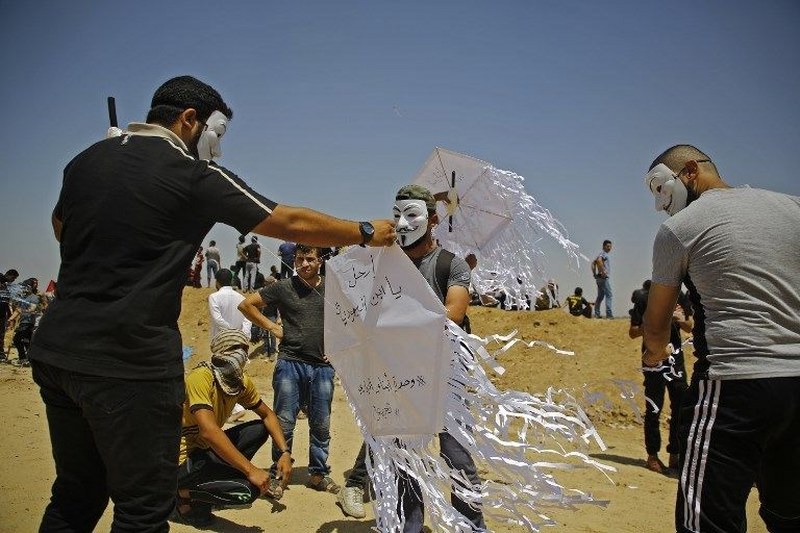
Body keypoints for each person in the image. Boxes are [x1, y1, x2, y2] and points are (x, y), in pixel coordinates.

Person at [28, 74, 396, 532]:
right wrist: (364, 231)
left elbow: (61, 230)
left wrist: (110, 187)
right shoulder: (191, 173)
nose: (216, 148)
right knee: (143, 507)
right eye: (215, 133)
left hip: (57, 352)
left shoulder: (85, 161)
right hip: (129, 360)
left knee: (75, 494)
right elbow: (288, 221)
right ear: (189, 119)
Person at [641, 144, 800, 533]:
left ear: (690, 171)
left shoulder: (680, 228)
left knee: (707, 521)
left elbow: (656, 324)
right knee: (789, 513)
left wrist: (654, 356)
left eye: (660, 188)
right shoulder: (793, 208)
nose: (660, 205)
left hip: (734, 387)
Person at [338, 185, 485, 532]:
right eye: (397, 215)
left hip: (445, 376)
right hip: (400, 376)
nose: (402, 223)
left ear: (433, 220)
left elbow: (454, 314)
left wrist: (397, 322)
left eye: (412, 214)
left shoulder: (451, 264)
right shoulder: (384, 265)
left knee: (457, 458)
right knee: (404, 461)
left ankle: (471, 527)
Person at [238, 244, 339, 499]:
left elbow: (351, 317)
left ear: (320, 261)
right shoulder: (284, 287)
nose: (305, 264)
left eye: (310, 259)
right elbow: (247, 305)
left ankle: (318, 474)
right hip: (290, 363)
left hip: (322, 366)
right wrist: (273, 327)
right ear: (294, 261)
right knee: (284, 422)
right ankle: (278, 474)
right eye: (300, 259)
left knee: (321, 423)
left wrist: (339, 348)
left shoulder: (334, 287)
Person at [173, 329, 293, 527]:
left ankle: (218, 479)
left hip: (205, 451)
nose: (240, 354)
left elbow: (268, 415)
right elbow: (209, 432)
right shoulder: (201, 377)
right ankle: (180, 494)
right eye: (234, 348)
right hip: (180, 460)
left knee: (258, 429)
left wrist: (284, 452)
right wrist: (251, 470)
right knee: (247, 492)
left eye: (243, 349)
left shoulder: (241, 382)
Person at [629, 279, 692, 474]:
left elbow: (690, 326)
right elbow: (633, 332)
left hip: (675, 360)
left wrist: (678, 319)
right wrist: (655, 322)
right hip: (653, 360)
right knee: (654, 408)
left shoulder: (680, 297)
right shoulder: (644, 299)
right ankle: (652, 456)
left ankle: (675, 453)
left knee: (681, 406)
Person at [208, 268, 251, 341]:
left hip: (221, 341)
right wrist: (244, 335)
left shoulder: (214, 297)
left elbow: (218, 320)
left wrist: (232, 332)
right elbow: (247, 319)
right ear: (231, 281)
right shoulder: (242, 298)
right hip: (239, 341)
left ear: (217, 282)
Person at [8, 278, 40, 367]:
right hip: (23, 322)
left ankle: (23, 359)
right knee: (26, 342)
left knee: (17, 340)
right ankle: (29, 360)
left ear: (29, 287)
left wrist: (22, 310)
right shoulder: (23, 298)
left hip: (28, 323)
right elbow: (17, 310)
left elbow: (32, 309)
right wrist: (10, 319)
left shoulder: (34, 298)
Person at [0, 269, 19, 359]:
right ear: (9, 275)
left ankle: (0, 353)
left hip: (2, 314)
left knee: (1, 334)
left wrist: (10, 315)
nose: (13, 280)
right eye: (13, 278)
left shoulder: (6, 287)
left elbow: (7, 303)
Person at [591, 239, 613, 318]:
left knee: (600, 296)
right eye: (607, 246)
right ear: (603, 246)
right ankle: (609, 315)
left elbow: (593, 264)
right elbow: (599, 260)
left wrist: (594, 274)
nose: (609, 248)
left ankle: (597, 314)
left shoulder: (600, 254)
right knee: (609, 295)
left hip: (599, 278)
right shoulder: (603, 254)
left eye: (610, 247)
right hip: (603, 278)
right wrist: (603, 271)